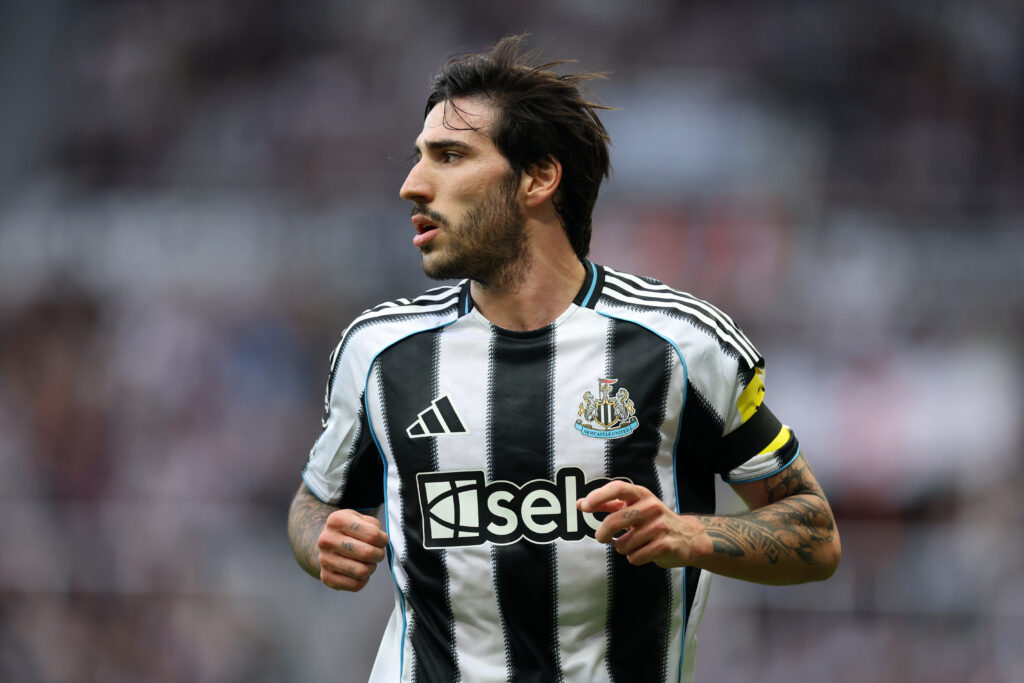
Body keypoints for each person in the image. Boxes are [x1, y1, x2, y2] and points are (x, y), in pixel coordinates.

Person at [287, 34, 841, 683]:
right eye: (419, 158)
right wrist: (321, 540)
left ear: (538, 177)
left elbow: (816, 535)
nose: (413, 185)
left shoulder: (681, 345)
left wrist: (687, 536)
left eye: (450, 156)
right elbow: (313, 503)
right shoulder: (379, 352)